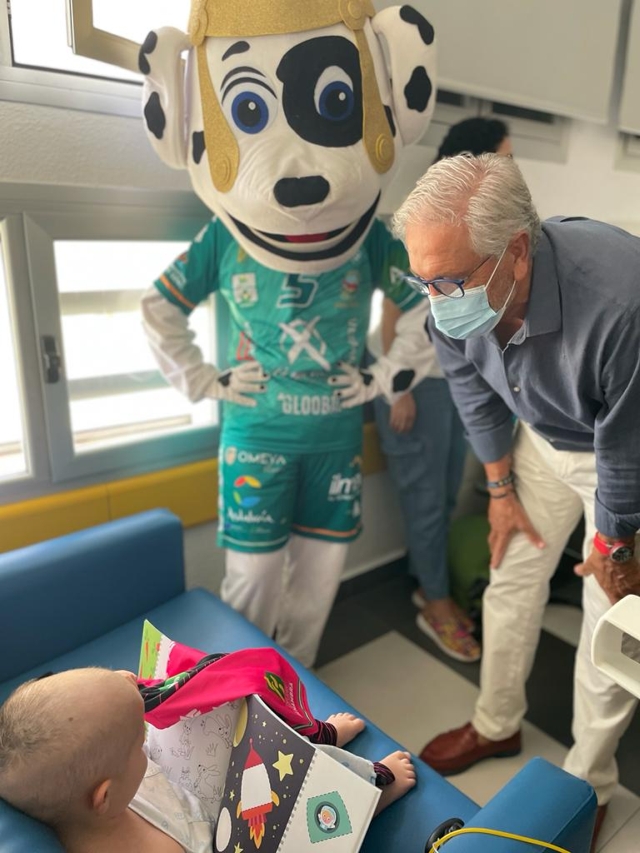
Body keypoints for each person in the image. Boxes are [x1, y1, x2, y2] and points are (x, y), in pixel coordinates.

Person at [138, 0, 438, 670]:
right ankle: (237, 694)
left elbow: (426, 306)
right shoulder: (223, 238)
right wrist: (205, 380)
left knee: (316, 589)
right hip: (256, 436)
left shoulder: (372, 240)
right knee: (251, 585)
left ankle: (289, 693)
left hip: (333, 440)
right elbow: (157, 307)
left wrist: (387, 375)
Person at [392, 153, 640, 849]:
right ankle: (496, 721)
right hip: (542, 438)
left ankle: (587, 783)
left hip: (617, 447)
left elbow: (625, 443)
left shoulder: (622, 299)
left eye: (451, 282)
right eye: (424, 283)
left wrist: (617, 545)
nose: (437, 300)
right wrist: (499, 487)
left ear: (518, 254)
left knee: (608, 622)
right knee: (512, 576)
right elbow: (472, 387)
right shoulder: (448, 285)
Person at [0, 669, 416, 853]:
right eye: (136, 735)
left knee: (233, 713)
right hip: (236, 827)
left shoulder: (81, 797)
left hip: (187, 787)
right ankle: (371, 796)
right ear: (103, 796)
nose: (142, 733)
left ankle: (308, 730)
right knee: (314, 776)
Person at [370, 118, 510, 662]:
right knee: (426, 499)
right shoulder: (426, 217)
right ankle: (434, 599)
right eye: (503, 157)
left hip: (452, 376)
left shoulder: (480, 220)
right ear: (473, 163)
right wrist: (396, 388)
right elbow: (390, 308)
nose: (510, 168)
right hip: (412, 382)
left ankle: (430, 582)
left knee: (448, 489)